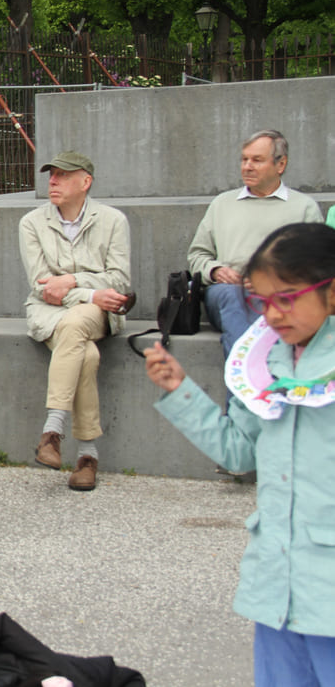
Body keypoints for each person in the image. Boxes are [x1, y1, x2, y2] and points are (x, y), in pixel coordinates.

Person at [146, 222, 335, 686]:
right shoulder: (267, 363)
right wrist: (180, 390)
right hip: (278, 589)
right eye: (264, 301)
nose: (273, 315)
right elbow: (239, 451)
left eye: (287, 298)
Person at [19, 151, 131, 492]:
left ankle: (52, 431)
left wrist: (71, 281)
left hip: (96, 313)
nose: (53, 181)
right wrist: (91, 293)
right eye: (51, 175)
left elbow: (121, 282)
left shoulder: (113, 220)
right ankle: (87, 456)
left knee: (77, 323)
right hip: (51, 311)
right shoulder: (31, 223)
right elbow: (42, 285)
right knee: (87, 354)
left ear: (86, 182)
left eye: (63, 175)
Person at [187, 129, 321, 359]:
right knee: (232, 296)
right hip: (228, 293)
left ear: (281, 165)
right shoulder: (222, 204)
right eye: (244, 159)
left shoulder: (304, 207)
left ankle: (244, 388)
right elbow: (197, 255)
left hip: (281, 296)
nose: (247, 166)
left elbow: (319, 266)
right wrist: (217, 270)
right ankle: (253, 367)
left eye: (257, 160)